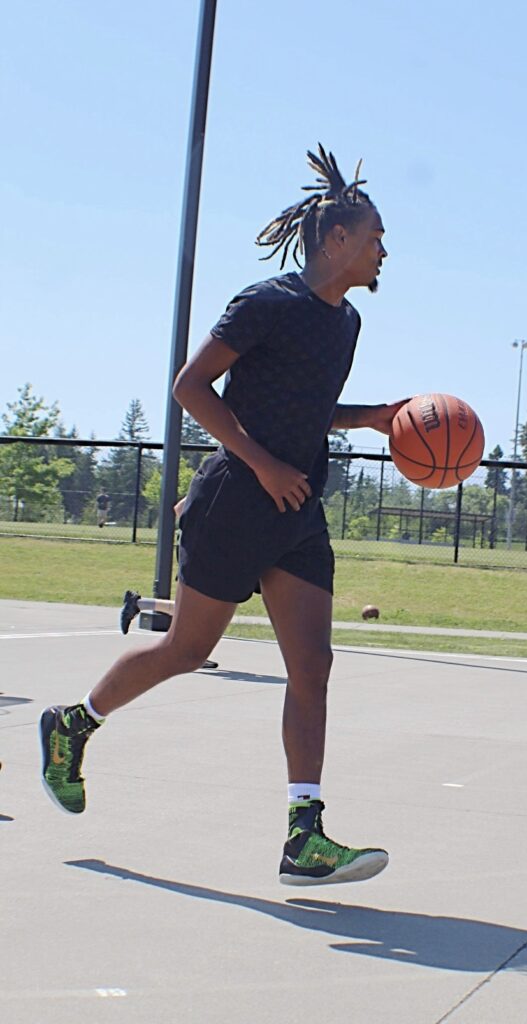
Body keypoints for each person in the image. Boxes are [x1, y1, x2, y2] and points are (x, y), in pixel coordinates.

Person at [40, 145, 403, 886]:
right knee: (185, 649)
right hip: (239, 498)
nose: (382, 250)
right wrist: (259, 462)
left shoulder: (346, 324)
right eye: (374, 236)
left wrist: (368, 417)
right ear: (335, 238)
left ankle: (305, 834)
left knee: (314, 666)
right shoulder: (266, 302)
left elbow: (299, 408)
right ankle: (72, 725)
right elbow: (191, 386)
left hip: (296, 509)